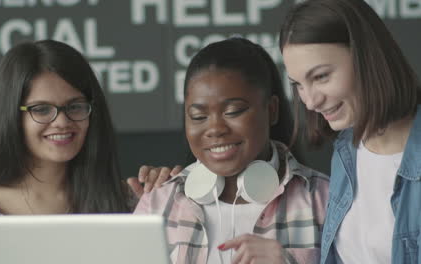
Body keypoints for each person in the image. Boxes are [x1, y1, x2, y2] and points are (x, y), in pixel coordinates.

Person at [0, 40, 168, 263]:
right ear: (10, 117)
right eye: (42, 109)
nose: (62, 122)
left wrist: (167, 203)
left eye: (75, 106)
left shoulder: (128, 202)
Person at [135, 37, 329, 264]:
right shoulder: (159, 203)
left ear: (272, 110)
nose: (215, 129)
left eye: (233, 111)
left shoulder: (323, 199)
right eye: (198, 116)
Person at [279, 0, 421, 263]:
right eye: (298, 84)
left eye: (321, 76)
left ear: (368, 58)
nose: (310, 102)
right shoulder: (347, 153)